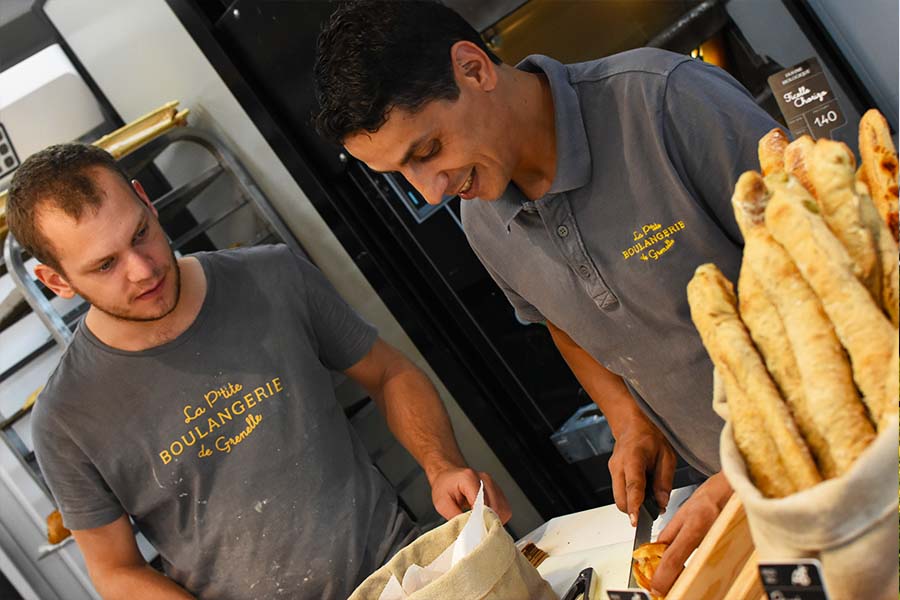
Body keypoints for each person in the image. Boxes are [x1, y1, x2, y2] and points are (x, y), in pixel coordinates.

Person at [313, 1, 781, 594]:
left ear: (474, 69)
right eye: (399, 174)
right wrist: (626, 416)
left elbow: (843, 273)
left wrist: (753, 465)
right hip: (731, 496)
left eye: (427, 151)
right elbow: (560, 317)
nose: (428, 190)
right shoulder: (483, 221)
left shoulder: (665, 101)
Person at [7, 143, 511, 600]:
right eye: (105, 266)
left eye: (140, 234)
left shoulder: (272, 275)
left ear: (146, 198)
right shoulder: (67, 418)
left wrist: (441, 463)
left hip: (406, 577)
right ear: (57, 282)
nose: (142, 269)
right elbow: (115, 569)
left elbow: (388, 374)